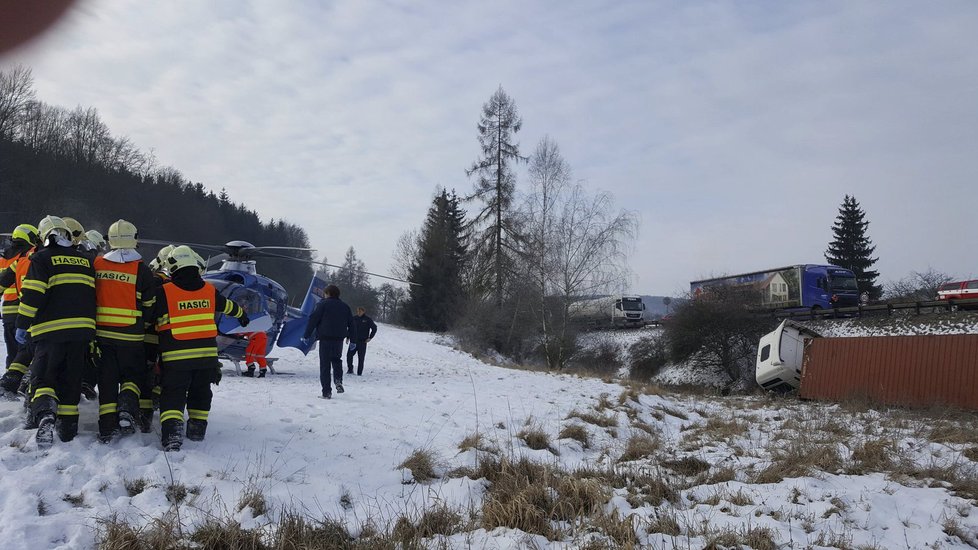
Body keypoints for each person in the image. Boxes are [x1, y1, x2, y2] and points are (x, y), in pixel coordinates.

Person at [151, 245, 248, 451]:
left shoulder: (164, 292)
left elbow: (148, 316)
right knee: (201, 392)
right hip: (206, 359)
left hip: (176, 358)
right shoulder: (208, 290)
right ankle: (197, 430)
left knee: (173, 395)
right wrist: (242, 315)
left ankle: (172, 436)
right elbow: (228, 306)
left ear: (172, 266)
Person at [16, 215, 97, 448]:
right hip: (82, 332)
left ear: (44, 236)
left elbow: (33, 294)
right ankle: (69, 428)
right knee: (71, 380)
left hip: (50, 331)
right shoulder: (85, 260)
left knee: (44, 377)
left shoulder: (41, 259)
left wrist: (23, 323)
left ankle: (45, 415)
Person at [92, 219, 155, 442]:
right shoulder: (142, 270)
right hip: (132, 336)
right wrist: (143, 324)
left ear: (109, 240)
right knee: (131, 376)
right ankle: (127, 408)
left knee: (107, 380)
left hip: (102, 336)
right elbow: (149, 304)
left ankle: (106, 428)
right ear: (134, 239)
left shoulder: (97, 265)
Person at [302, 284, 354, 399]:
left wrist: (306, 335)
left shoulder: (322, 304)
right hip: (339, 340)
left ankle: (326, 392)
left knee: (325, 365)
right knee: (336, 360)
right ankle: (338, 380)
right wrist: (352, 339)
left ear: (328, 293)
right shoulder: (345, 307)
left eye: (325, 294)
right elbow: (351, 323)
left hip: (325, 339)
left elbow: (313, 319)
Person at [0, 224, 39, 369]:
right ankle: (24, 380)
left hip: (8, 314)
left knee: (12, 352)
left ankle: (10, 380)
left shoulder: (4, 258)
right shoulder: (28, 256)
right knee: (28, 352)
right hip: (25, 311)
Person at [346, 307, 377, 376]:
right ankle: (350, 369)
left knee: (361, 358)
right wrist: (348, 337)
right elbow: (350, 328)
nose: (358, 313)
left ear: (363, 311)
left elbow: (374, 328)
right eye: (357, 311)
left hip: (363, 342)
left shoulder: (367, 319)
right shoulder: (354, 318)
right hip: (353, 341)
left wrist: (370, 337)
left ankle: (359, 373)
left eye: (360, 311)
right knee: (349, 356)